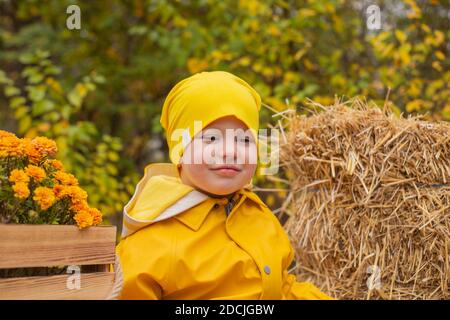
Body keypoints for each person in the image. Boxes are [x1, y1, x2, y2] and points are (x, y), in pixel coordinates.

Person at [116, 71, 334, 300]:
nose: (230, 151)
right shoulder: (152, 236)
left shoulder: (258, 215)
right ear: (179, 149)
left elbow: (283, 288)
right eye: (211, 138)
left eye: (245, 139)